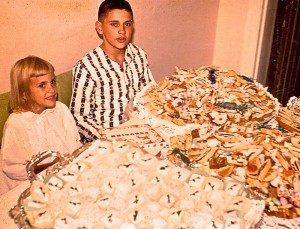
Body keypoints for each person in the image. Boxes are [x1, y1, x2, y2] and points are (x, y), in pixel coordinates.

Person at [70, 0, 155, 144]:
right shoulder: (87, 67)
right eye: (114, 24)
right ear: (100, 27)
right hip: (105, 140)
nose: (122, 31)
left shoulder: (139, 54)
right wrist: (109, 138)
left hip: (138, 132)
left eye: (127, 24)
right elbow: (79, 118)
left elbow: (149, 93)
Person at [0, 56, 82, 193]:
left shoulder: (61, 109)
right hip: (29, 185)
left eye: (52, 82)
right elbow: (11, 169)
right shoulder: (16, 124)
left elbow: (75, 143)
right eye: (42, 85)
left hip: (64, 175)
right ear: (24, 93)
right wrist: (50, 166)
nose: (52, 90)